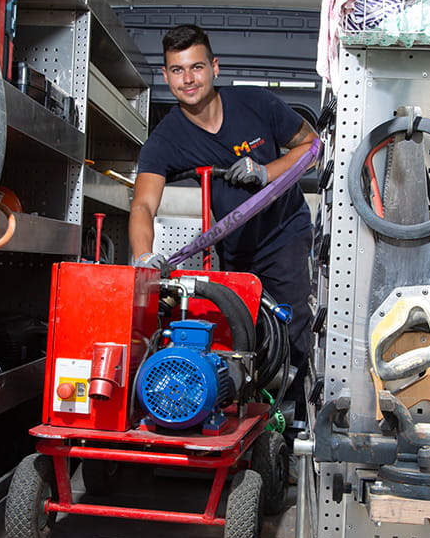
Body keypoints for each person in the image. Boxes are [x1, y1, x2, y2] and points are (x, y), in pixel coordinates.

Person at [128, 24, 318, 424]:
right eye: (177, 71)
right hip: (235, 245)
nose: (188, 79)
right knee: (240, 330)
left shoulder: (256, 103)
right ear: (165, 76)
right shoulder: (166, 139)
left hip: (284, 231)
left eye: (196, 67)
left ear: (214, 67)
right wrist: (144, 256)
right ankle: (244, 415)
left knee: (292, 325)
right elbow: (144, 204)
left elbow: (311, 146)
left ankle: (290, 424)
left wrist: (267, 172)